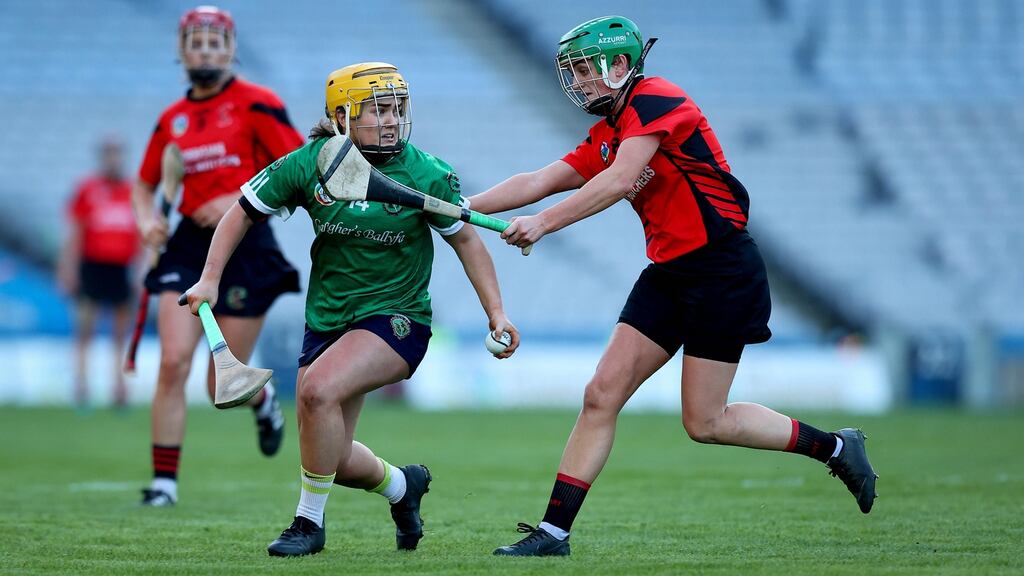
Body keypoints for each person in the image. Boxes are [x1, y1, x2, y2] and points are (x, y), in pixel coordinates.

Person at [469, 16, 878, 557]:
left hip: (722, 272)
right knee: (600, 395)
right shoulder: (608, 134)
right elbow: (537, 181)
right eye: (574, 73)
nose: (579, 83)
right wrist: (460, 209)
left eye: (586, 71)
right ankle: (554, 533)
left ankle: (834, 447)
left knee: (705, 422)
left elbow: (616, 182)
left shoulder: (658, 97)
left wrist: (544, 223)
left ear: (621, 66)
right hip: (668, 274)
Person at [182, 62, 520, 557]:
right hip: (327, 322)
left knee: (317, 389)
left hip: (398, 319)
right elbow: (242, 212)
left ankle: (308, 525)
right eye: (377, 110)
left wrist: (497, 312)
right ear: (342, 116)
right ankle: (404, 488)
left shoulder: (426, 172)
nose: (390, 120)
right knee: (333, 459)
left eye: (397, 109)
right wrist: (210, 278)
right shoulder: (310, 163)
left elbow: (467, 241)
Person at [132, 5, 303, 507]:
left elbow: (294, 169)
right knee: (172, 360)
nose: (205, 51)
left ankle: (264, 400)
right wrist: (148, 221)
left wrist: (234, 197)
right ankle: (163, 484)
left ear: (230, 49)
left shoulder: (257, 103)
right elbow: (145, 188)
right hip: (187, 247)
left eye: (215, 42)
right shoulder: (172, 120)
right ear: (181, 51)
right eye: (196, 42)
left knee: (219, 385)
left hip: (247, 244)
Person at [57, 136, 140, 409]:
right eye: (108, 154)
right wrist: (67, 269)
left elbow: (140, 235)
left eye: (116, 154)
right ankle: (81, 386)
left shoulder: (132, 191)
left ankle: (119, 387)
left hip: (120, 268)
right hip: (91, 267)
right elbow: (75, 233)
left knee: (119, 332)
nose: (112, 159)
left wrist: (140, 272)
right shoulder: (87, 190)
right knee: (85, 329)